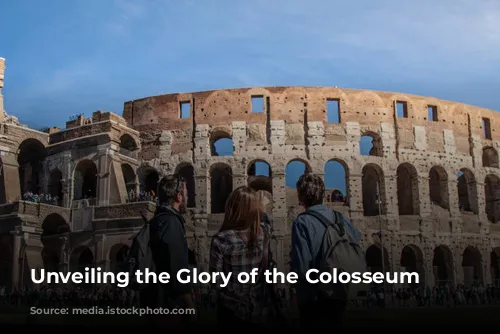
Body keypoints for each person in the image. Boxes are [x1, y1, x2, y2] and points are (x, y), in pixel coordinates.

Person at [290, 173, 361, 331]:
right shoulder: (340, 218)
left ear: (301, 196)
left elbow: (302, 268)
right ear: (323, 195)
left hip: (314, 297)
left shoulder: (302, 222)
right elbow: (356, 240)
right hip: (339, 293)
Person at [209, 186, 272, 330]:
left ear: (231, 209)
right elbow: (266, 222)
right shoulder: (263, 234)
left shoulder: (221, 239)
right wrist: (261, 207)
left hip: (231, 312)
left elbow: (216, 282)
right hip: (258, 310)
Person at [140, 174, 198, 329]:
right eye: (186, 194)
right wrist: (189, 303)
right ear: (179, 197)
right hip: (169, 303)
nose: (187, 197)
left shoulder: (158, 219)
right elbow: (177, 265)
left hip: (156, 298)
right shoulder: (170, 222)